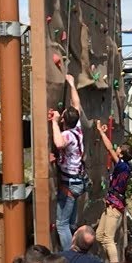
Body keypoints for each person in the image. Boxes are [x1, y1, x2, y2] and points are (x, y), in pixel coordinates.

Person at [51, 74, 86, 252]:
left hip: (70, 182)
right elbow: (76, 104)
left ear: (64, 120)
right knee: (71, 222)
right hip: (78, 181)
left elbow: (58, 143)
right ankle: (75, 248)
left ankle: (70, 256)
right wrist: (72, 84)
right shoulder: (78, 128)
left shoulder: (67, 135)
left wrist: (54, 122)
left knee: (62, 224)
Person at [93, 119, 132, 263]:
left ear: (121, 155)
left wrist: (101, 132)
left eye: (120, 149)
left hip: (114, 206)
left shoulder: (122, 166)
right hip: (111, 204)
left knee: (108, 239)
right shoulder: (125, 166)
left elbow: (109, 148)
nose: (117, 149)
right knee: (100, 236)